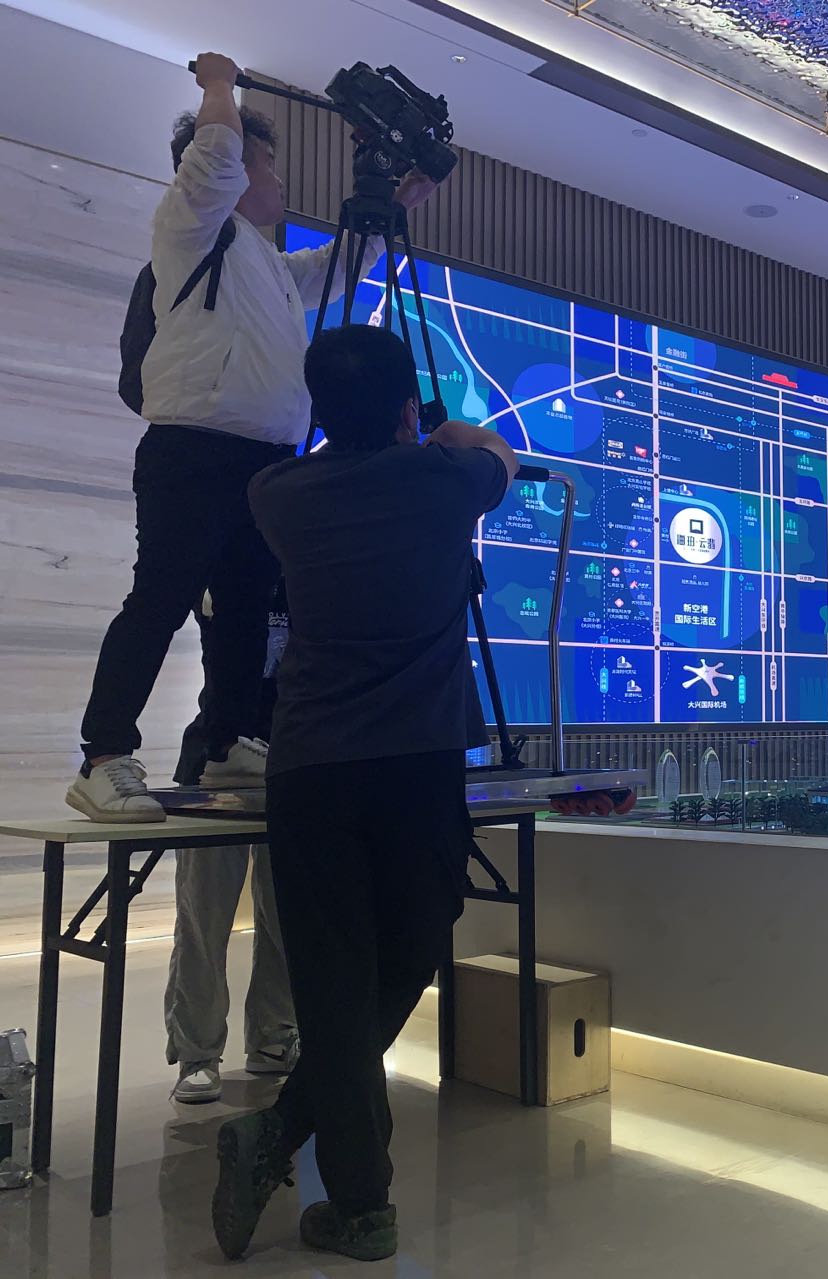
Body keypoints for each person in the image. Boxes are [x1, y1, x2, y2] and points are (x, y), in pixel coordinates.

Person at [212, 324, 517, 1263]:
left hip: (313, 768)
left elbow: (324, 461)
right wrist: (445, 433)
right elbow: (497, 452)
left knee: (336, 978)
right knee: (413, 946)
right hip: (419, 764)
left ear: (318, 411)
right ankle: (356, 1202)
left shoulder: (278, 493)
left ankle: (295, 1141)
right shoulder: (444, 480)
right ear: (406, 409)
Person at [66, 51, 433, 822]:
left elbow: (338, 268)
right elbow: (213, 155)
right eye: (266, 163)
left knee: (243, 606)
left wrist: (401, 199)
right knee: (161, 598)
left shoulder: (262, 261)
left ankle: (229, 738)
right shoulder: (193, 226)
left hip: (262, 459)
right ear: (234, 169)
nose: (278, 179)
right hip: (194, 448)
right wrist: (218, 85)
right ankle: (103, 755)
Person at [165, 590, 296, 1105]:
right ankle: (197, 1054)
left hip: (290, 763)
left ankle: (274, 1037)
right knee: (203, 919)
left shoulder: (312, 576)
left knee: (286, 916)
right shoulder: (233, 570)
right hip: (215, 769)